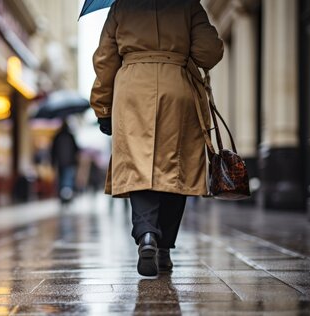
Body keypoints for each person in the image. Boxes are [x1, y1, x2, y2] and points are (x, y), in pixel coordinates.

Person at [91, 0, 223, 277]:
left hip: (132, 89)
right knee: (177, 168)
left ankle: (146, 235)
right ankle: (163, 248)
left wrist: (102, 108)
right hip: (178, 87)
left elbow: (105, 60)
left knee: (139, 165)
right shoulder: (187, 5)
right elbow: (209, 53)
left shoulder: (121, 7)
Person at [51, 119, 80, 203]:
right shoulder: (70, 136)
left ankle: (63, 197)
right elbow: (76, 150)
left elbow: (53, 151)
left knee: (62, 180)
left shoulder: (57, 136)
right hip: (70, 162)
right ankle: (68, 197)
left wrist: (53, 162)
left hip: (60, 163)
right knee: (68, 180)